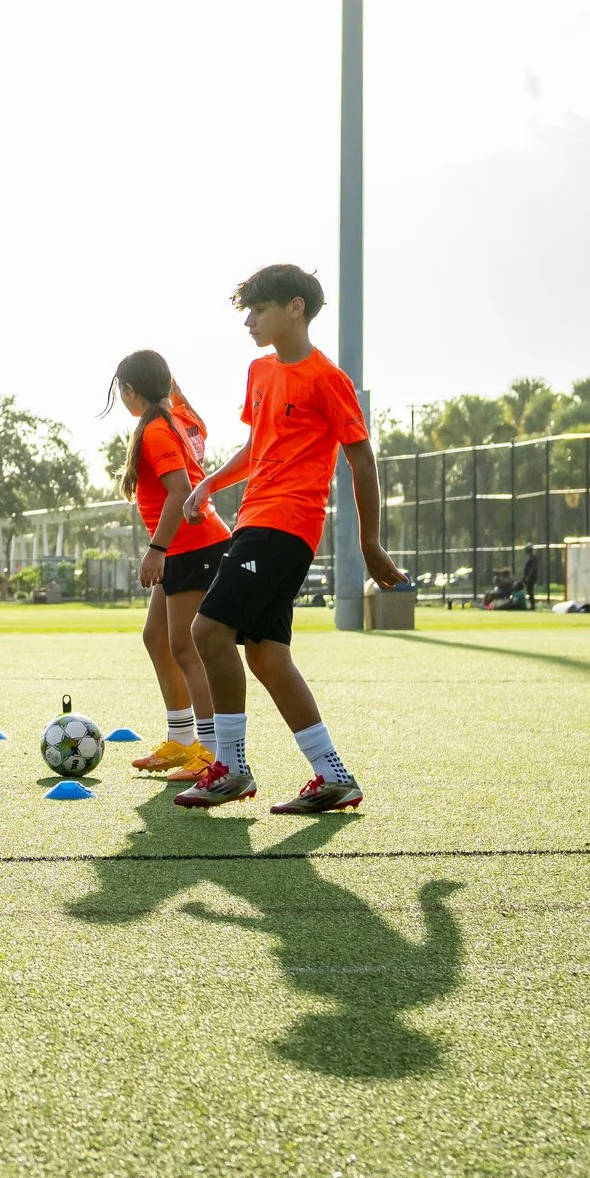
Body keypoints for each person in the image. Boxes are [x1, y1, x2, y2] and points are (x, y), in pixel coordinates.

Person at [177, 263, 403, 813]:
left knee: (207, 630)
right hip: (256, 518)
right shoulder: (260, 372)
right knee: (268, 656)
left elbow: (362, 458)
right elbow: (259, 449)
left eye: (258, 309)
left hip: (288, 524)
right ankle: (333, 777)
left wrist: (369, 543)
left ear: (295, 308)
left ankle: (229, 767)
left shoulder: (328, 379)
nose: (249, 321)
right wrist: (209, 481)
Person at [109, 349, 229, 781]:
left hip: (193, 547)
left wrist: (155, 549)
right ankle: (181, 741)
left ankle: (212, 753)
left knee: (186, 647)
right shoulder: (180, 416)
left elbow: (179, 490)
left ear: (129, 391)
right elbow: (179, 398)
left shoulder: (158, 430)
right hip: (186, 546)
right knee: (156, 637)